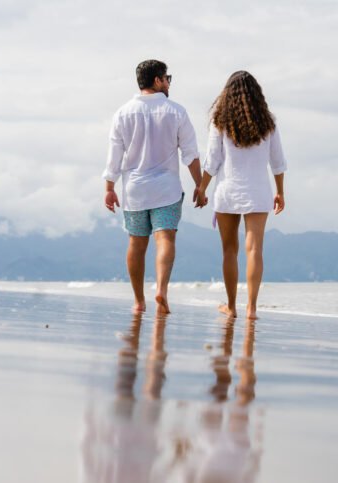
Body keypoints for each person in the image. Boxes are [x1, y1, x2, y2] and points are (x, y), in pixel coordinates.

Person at [103, 59, 205, 314]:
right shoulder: (176, 111)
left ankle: (138, 301)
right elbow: (190, 155)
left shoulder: (123, 113)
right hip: (166, 190)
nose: (169, 82)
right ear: (158, 80)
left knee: (136, 244)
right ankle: (161, 289)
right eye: (167, 78)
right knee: (165, 238)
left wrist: (109, 187)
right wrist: (200, 185)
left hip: (134, 191)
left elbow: (114, 156)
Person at [195, 71, 286, 319]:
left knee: (229, 250)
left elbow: (212, 162)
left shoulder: (220, 123)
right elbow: (277, 162)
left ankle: (232, 306)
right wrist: (280, 192)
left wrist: (202, 188)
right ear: (257, 95)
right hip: (258, 193)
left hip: (228, 192)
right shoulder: (268, 124)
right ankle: (252, 308)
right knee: (254, 249)